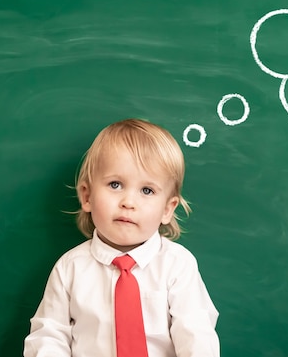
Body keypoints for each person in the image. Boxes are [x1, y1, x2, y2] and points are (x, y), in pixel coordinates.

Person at [24, 119, 219, 357]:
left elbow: (196, 337)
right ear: (87, 196)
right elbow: (49, 336)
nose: (128, 202)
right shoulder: (70, 268)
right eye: (115, 184)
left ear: (168, 209)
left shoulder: (177, 265)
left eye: (147, 191)